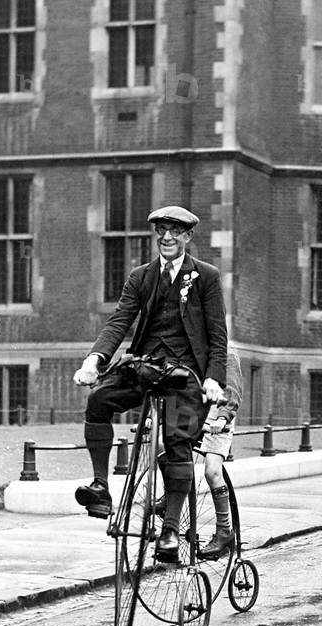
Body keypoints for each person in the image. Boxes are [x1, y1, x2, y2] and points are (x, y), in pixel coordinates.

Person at [73, 205, 228, 562]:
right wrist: (93, 361)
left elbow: (218, 335)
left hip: (187, 377)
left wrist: (214, 379)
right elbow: (119, 321)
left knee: (177, 440)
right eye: (161, 230)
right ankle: (100, 487)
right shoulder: (142, 277)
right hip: (146, 367)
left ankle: (171, 530)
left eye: (175, 231)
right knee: (99, 400)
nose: (167, 237)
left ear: (188, 236)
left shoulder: (206, 277)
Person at [196, 346, 242, 559]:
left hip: (218, 417)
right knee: (164, 447)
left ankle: (224, 530)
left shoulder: (226, 353)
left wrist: (223, 418)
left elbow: (232, 390)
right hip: (191, 413)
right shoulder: (188, 347)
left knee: (212, 471)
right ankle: (170, 497)